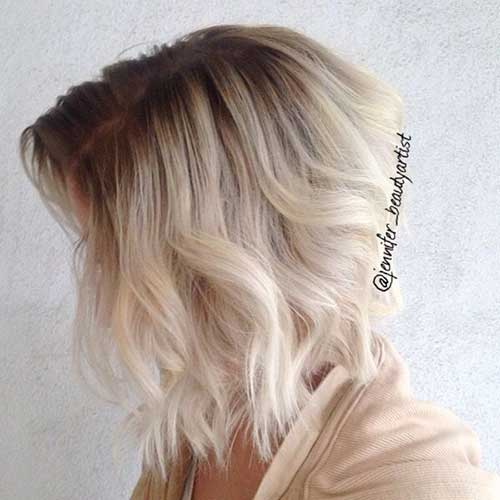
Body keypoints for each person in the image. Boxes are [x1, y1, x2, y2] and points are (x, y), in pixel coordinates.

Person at [19, 24, 500, 500]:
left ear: (223, 264)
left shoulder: (412, 485)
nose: (105, 291)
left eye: (115, 255)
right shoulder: (209, 394)